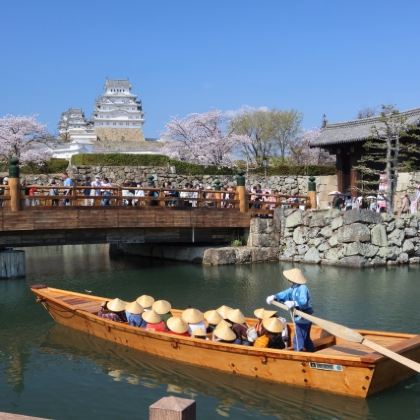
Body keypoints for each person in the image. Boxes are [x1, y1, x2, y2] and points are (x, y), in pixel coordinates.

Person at [266, 268, 314, 352]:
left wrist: (294, 303)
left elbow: (304, 301)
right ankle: (311, 351)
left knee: (298, 339)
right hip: (299, 317)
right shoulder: (294, 287)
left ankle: (299, 354)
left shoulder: (303, 288)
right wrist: (275, 296)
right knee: (305, 338)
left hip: (304, 317)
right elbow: (285, 294)